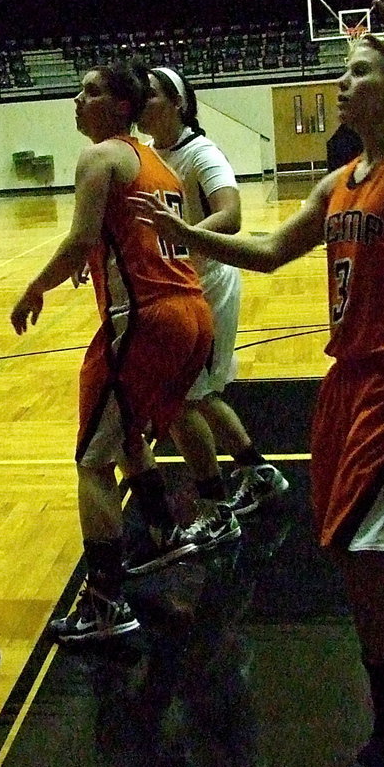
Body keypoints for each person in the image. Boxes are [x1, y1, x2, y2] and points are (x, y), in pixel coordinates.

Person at [132, 0, 384, 767]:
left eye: (360, 72)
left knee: (362, 556)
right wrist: (190, 237)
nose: (343, 83)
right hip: (347, 382)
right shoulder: (340, 182)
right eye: (345, 71)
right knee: (342, 543)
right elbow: (263, 253)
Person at [11, 58, 214, 645]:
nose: (77, 99)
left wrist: (34, 288)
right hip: (189, 313)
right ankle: (160, 530)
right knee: (126, 436)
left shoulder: (99, 156)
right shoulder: (158, 164)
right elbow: (123, 235)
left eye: (90, 91)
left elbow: (78, 241)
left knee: (92, 462)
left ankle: (104, 600)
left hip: (145, 318)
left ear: (122, 106)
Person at [138, 66, 289, 531]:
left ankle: (216, 504)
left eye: (151, 96)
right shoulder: (148, 155)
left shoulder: (201, 153)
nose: (141, 103)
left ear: (178, 103)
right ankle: (255, 471)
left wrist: (181, 240)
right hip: (176, 288)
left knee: (186, 397)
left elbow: (231, 215)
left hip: (208, 287)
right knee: (191, 398)